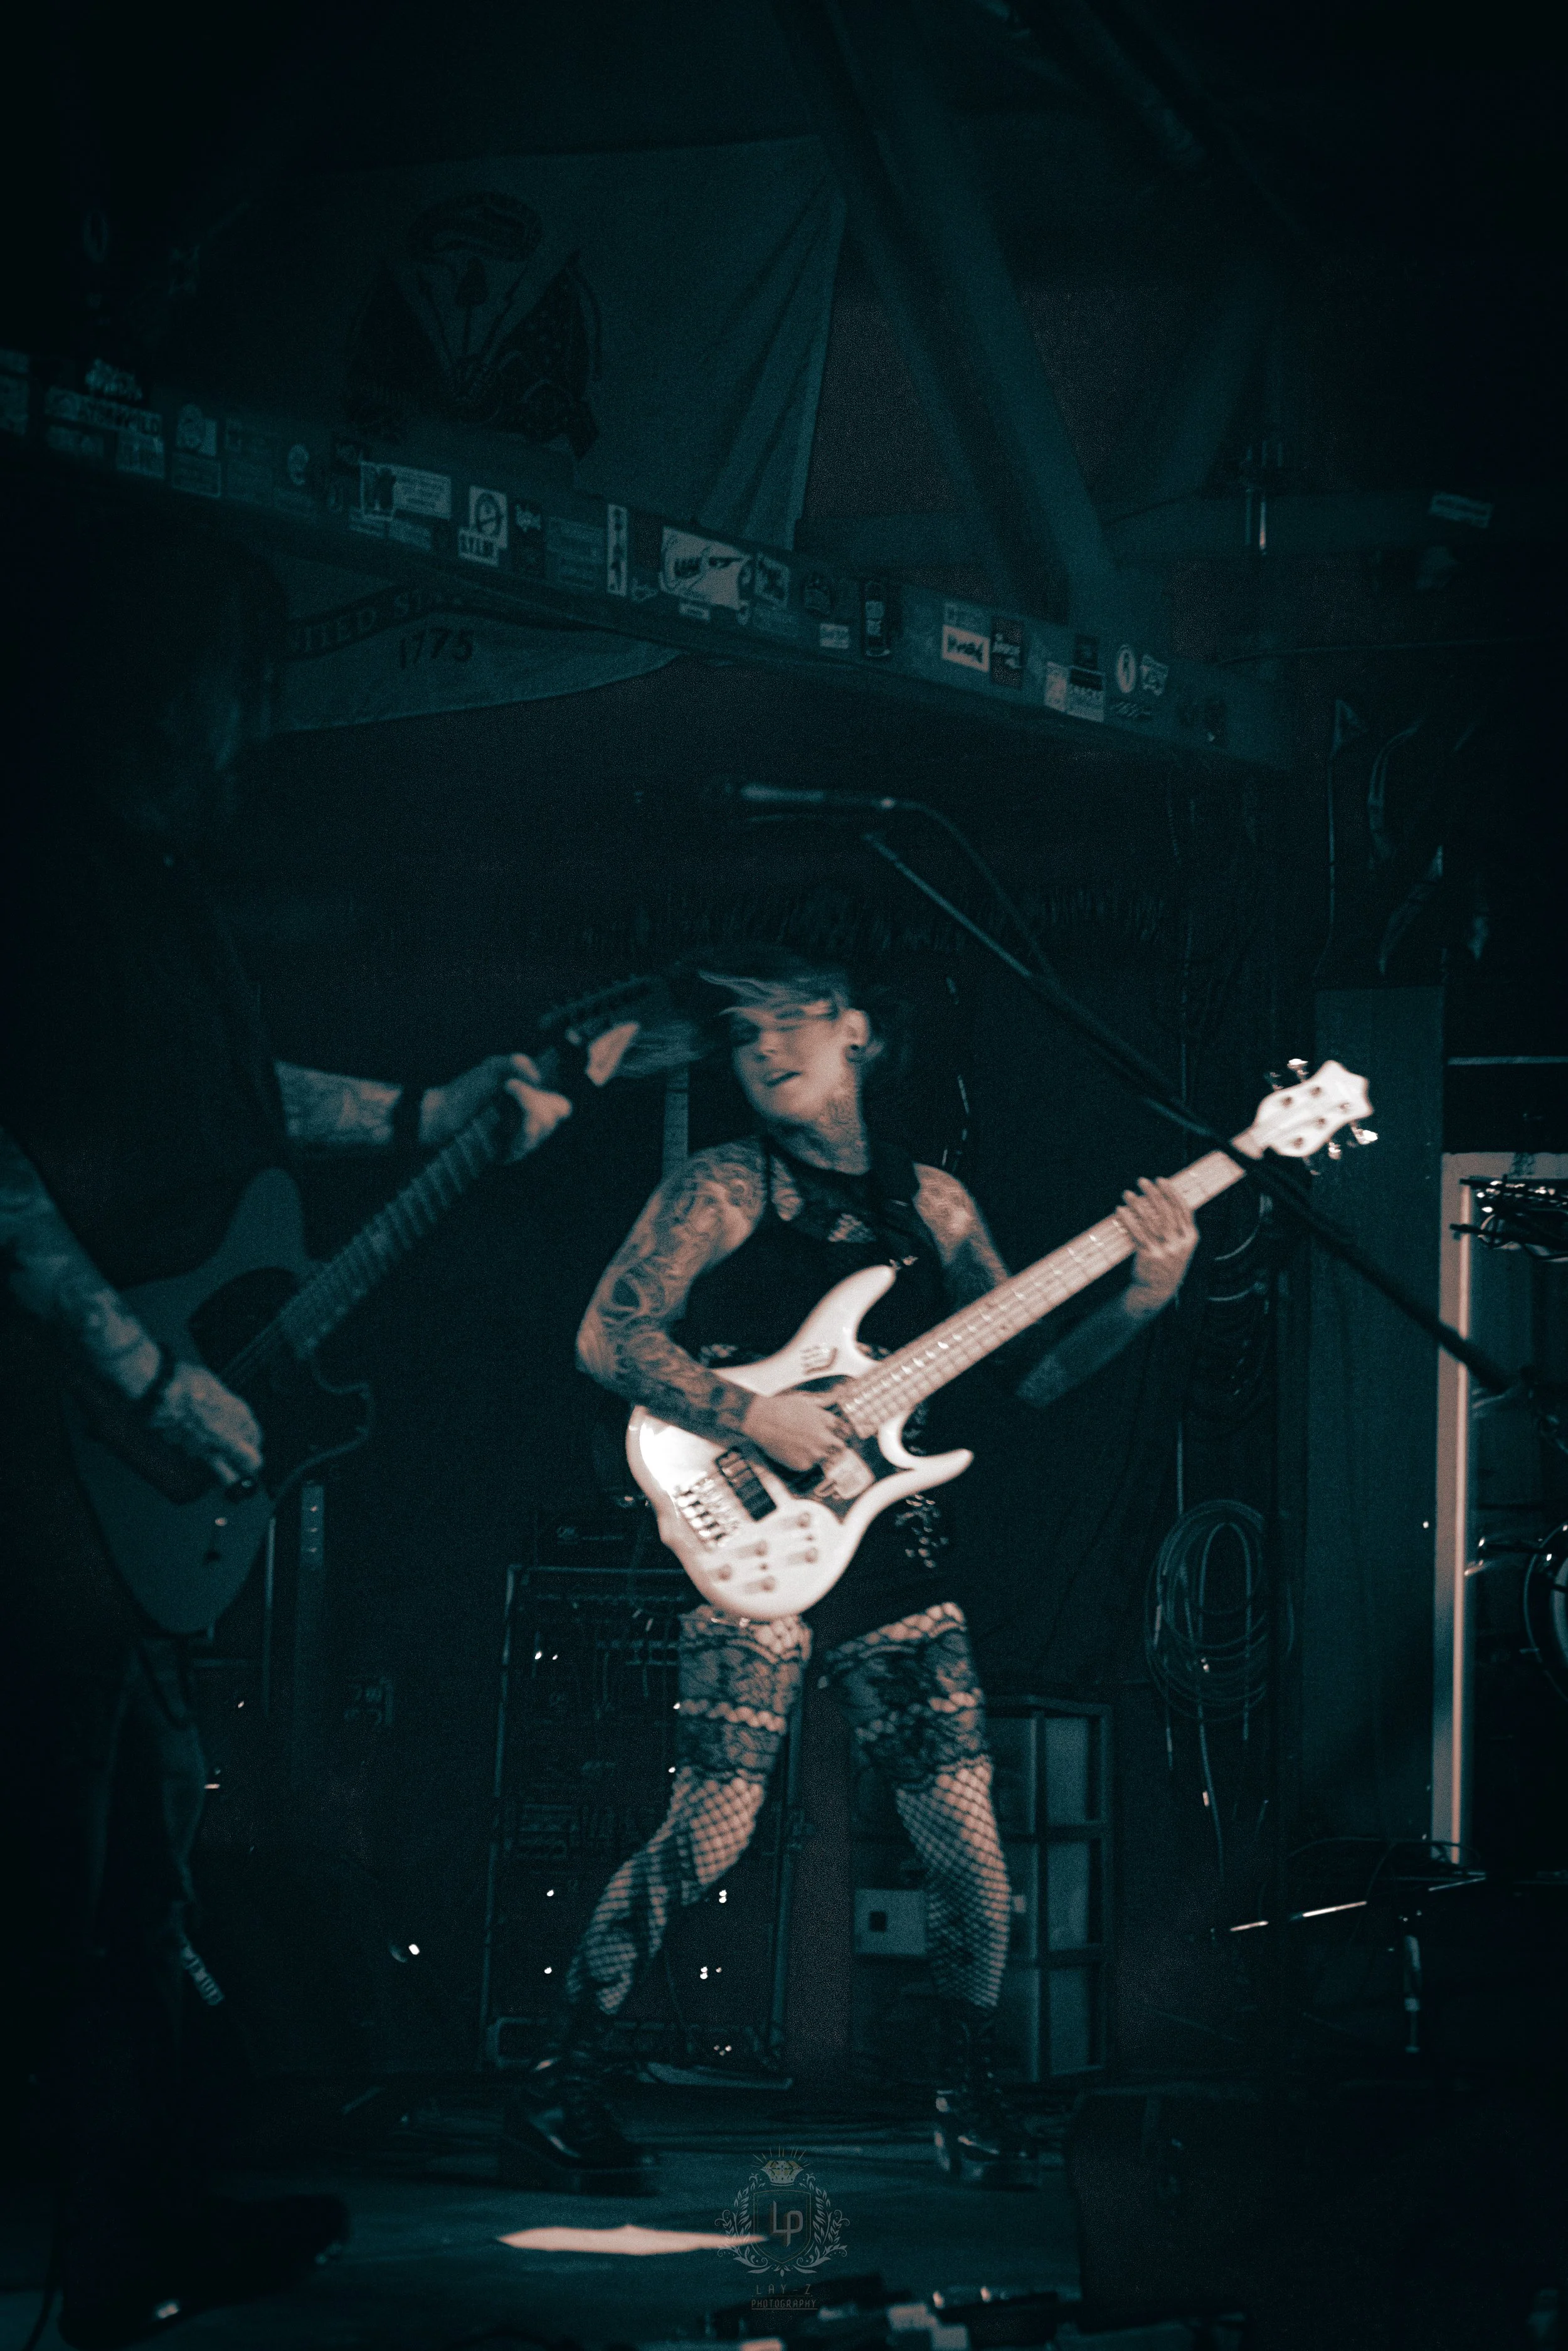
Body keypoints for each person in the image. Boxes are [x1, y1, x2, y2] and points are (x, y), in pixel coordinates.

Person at [0, 502, 580, 2350]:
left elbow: (229, 1116)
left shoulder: (163, 890)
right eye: (240, 685)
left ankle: (129, 2232)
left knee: (128, 1865)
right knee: (57, 1855)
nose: (258, 724)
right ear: (157, 690)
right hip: (41, 1452)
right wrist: (134, 1368)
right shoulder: (40, 869)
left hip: (109, 1488)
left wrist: (425, 1114)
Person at [503, 949, 1198, 2192]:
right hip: (748, 1531)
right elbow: (606, 1335)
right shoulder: (724, 1185)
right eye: (741, 1030)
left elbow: (1023, 1375)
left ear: (857, 1031)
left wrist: (1146, 1293)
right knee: (711, 1825)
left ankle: (964, 2086)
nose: (765, 1044)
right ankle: (563, 2077)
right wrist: (748, 1417)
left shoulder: (932, 1206)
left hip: (892, 1547)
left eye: (791, 1019)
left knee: (970, 1851)